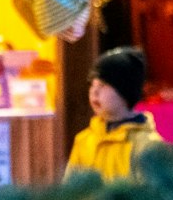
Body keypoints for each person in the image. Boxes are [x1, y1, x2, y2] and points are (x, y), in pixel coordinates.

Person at [65, 46, 165, 181]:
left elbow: (154, 195)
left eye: (102, 86)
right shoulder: (84, 140)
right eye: (92, 85)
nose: (94, 92)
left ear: (124, 92)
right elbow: (70, 191)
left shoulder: (147, 145)